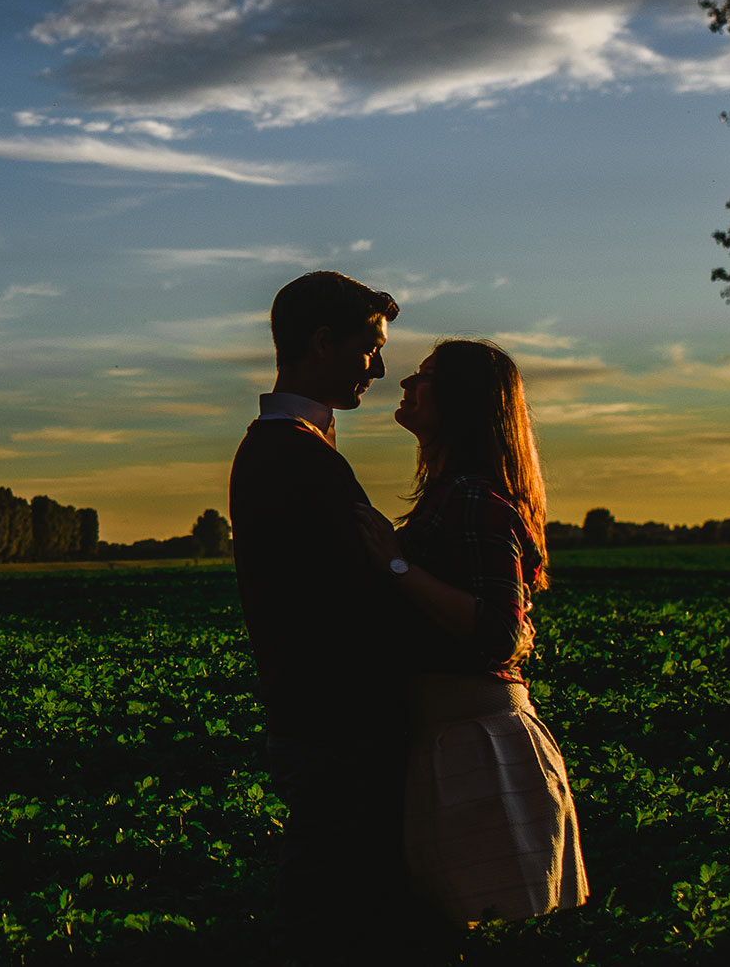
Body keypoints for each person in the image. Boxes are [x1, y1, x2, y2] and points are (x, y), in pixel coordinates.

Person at [353, 339, 589, 925]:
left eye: (425, 377)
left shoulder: (473, 497)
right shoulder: (449, 494)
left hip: (482, 749)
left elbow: (502, 631)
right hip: (457, 740)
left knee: (500, 927)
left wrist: (396, 566)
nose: (405, 383)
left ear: (460, 400)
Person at [228, 270, 422, 963]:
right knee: (333, 921)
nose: (380, 366)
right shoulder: (293, 458)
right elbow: (354, 606)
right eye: (371, 346)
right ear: (321, 342)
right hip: (336, 732)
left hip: (316, 725)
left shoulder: (282, 450)